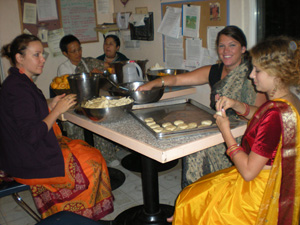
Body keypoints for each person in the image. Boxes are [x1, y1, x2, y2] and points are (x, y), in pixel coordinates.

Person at [169, 36, 300, 224]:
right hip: (274, 179)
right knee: (195, 193)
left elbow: (247, 171)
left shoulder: (275, 114)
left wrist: (226, 132)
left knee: (190, 202)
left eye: (258, 71)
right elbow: (263, 115)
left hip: (259, 190)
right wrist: (237, 105)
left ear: (277, 74)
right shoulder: (291, 99)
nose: (251, 75)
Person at [0, 34, 114, 221]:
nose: (43, 59)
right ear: (19, 58)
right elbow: (31, 134)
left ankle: (76, 216)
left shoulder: (19, 81)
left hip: (26, 151)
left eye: (42, 54)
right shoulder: (17, 88)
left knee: (87, 151)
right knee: (92, 163)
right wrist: (56, 111)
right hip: (27, 159)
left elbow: (27, 117)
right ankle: (78, 217)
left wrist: (50, 105)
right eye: (36, 55)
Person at [138, 25, 266, 188]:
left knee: (197, 152)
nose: (226, 50)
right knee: (188, 141)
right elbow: (178, 79)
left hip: (244, 136)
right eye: (221, 45)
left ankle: (203, 197)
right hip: (218, 128)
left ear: (243, 49)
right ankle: (195, 199)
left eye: (232, 45)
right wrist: (154, 83)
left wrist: (238, 107)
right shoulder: (214, 71)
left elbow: (260, 115)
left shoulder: (253, 75)